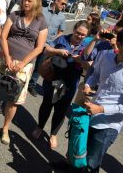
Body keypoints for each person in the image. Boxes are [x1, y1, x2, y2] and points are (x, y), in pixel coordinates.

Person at [0, 0, 48, 145]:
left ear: (37, 3)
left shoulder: (41, 21)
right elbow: (3, 36)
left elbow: (39, 48)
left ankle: (5, 128)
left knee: (13, 99)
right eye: (25, 0)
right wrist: (8, 57)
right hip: (4, 59)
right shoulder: (15, 15)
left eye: (30, 1)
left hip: (24, 65)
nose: (26, 3)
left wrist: (22, 63)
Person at [82, 27, 123, 173]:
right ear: (118, 44)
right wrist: (87, 85)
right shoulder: (106, 57)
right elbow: (95, 74)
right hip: (90, 113)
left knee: (92, 163)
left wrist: (102, 109)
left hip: (109, 125)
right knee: (79, 150)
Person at [31, 20, 90, 149]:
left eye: (83, 35)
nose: (79, 36)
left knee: (61, 110)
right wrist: (58, 52)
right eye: (78, 33)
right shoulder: (62, 39)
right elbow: (46, 50)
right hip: (53, 78)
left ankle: (53, 134)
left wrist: (80, 60)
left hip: (70, 82)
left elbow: (89, 68)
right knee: (47, 104)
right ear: (74, 30)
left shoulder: (86, 48)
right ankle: (40, 127)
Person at [28, 0, 68, 97]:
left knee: (39, 66)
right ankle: (21, 79)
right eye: (63, 3)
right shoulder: (42, 10)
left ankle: (31, 85)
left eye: (65, 5)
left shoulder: (62, 17)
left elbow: (61, 32)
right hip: (34, 41)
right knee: (28, 61)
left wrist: (52, 42)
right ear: (56, 1)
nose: (64, 6)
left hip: (48, 45)